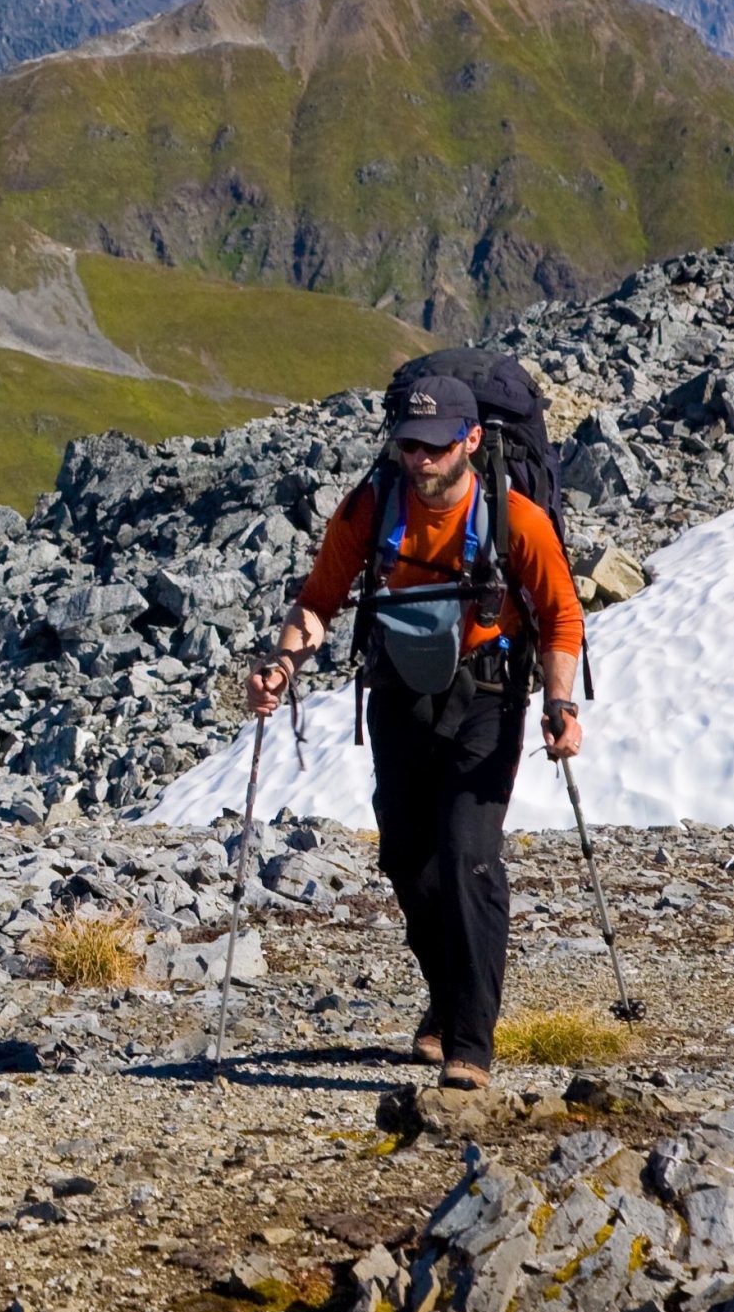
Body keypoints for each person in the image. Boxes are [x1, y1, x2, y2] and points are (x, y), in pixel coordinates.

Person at [244, 372, 583, 1090]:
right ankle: (447, 997)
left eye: (434, 446)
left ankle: (470, 1044)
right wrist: (282, 664)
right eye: (409, 445)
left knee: (467, 854)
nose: (421, 460)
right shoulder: (371, 507)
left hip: (487, 696)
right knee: (406, 858)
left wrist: (561, 704)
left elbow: (560, 616)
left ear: (468, 440)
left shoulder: (515, 518)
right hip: (398, 695)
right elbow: (319, 601)